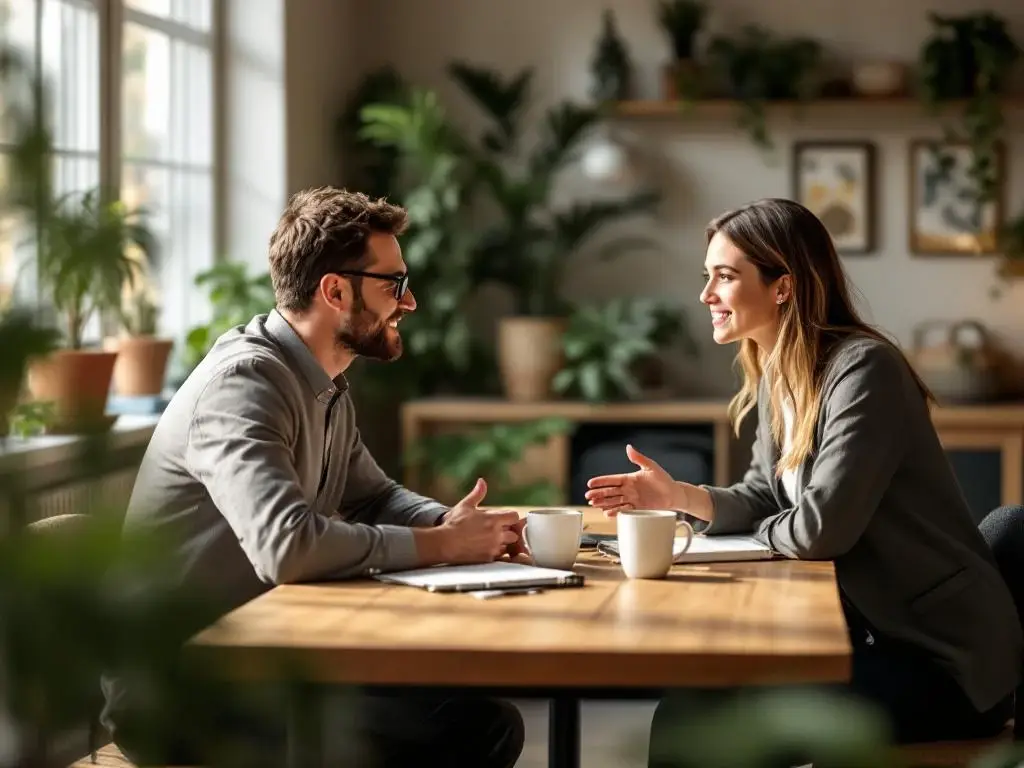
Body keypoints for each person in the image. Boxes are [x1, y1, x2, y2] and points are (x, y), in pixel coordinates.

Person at [101, 187, 526, 767]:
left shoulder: (320, 381)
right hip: (182, 694)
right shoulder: (244, 385)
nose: (411, 301)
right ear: (334, 290)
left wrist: (448, 521)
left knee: (467, 712)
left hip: (260, 659)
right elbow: (288, 546)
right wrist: (443, 545)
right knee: (469, 729)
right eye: (394, 284)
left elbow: (373, 495)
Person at [585, 198, 1022, 755]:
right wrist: (681, 497)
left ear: (782, 287)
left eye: (725, 277)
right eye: (707, 277)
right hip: (871, 642)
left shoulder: (865, 371)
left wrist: (766, 530)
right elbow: (766, 492)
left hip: (944, 669)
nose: (706, 296)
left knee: (691, 724)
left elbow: (820, 530)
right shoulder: (779, 373)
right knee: (689, 709)